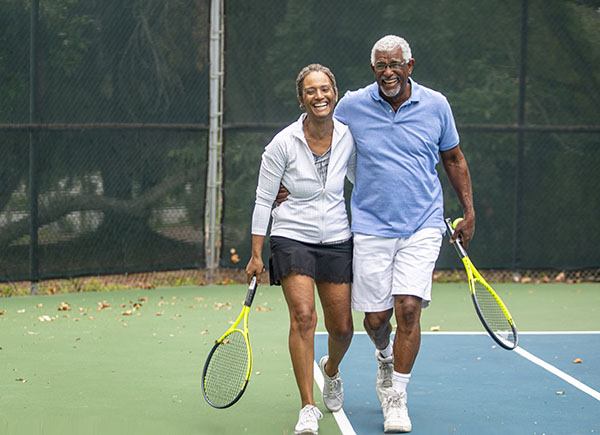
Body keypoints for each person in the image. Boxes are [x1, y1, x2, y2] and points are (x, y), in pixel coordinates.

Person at [334, 34, 476, 433]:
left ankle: (396, 397)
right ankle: (383, 356)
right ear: (372, 69)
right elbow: (316, 135)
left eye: (395, 64)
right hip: (370, 226)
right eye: (381, 65)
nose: (388, 72)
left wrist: (468, 212)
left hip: (423, 225)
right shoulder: (353, 105)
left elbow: (453, 158)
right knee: (377, 319)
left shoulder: (436, 105)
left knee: (408, 309)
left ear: (410, 66)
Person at [245, 64, 356, 435]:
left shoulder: (348, 137)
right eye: (311, 91)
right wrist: (257, 253)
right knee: (304, 317)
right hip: (292, 235)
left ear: (335, 93)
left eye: (325, 89)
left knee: (341, 329)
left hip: (338, 237)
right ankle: (308, 406)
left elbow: (364, 178)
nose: (319, 96)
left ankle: (331, 370)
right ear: (301, 98)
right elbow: (263, 198)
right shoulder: (282, 143)